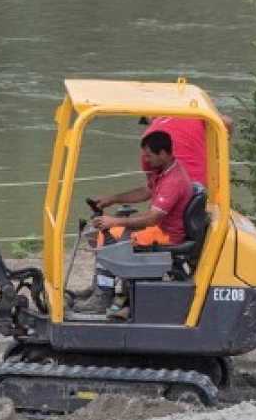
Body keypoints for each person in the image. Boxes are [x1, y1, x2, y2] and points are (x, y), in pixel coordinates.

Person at [72, 131, 193, 316]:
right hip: (159, 228)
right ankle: (99, 287)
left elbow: (153, 218)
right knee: (101, 234)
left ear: (162, 153)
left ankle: (102, 297)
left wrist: (114, 220)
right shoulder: (165, 171)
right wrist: (113, 199)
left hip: (167, 235)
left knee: (108, 243)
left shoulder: (174, 181)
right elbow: (145, 192)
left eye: (149, 155)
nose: (145, 159)